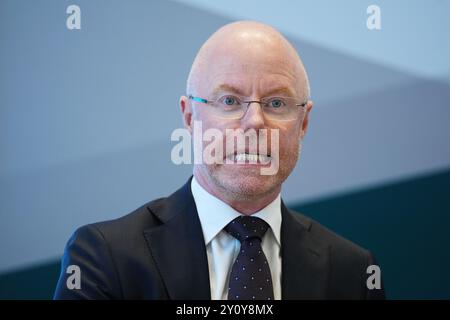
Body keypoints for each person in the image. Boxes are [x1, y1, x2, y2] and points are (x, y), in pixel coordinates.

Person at [54, 21, 385, 300]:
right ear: (188, 116)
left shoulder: (354, 274)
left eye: (276, 103)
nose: (254, 121)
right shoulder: (104, 258)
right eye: (229, 100)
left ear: (304, 123)